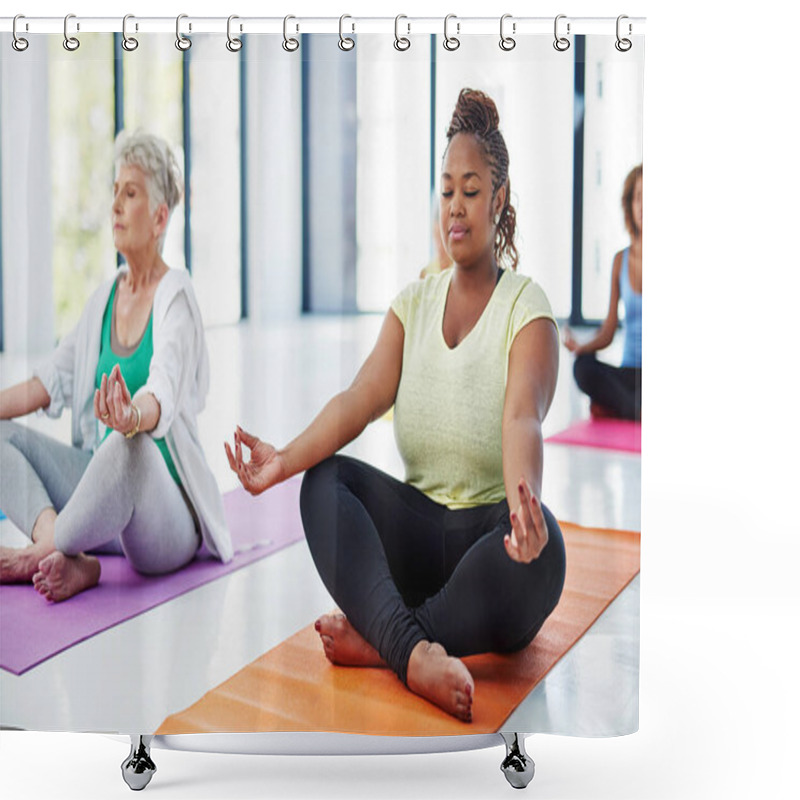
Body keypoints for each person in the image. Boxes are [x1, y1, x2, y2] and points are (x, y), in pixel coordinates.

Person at [226, 89, 566, 723]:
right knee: (322, 483)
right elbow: (359, 399)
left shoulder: (528, 308)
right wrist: (283, 461)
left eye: (471, 189)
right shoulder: (413, 304)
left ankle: (386, 640)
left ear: (498, 199)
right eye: (445, 191)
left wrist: (523, 518)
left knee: (547, 557)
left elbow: (522, 417)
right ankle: (412, 651)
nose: (455, 207)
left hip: (487, 547)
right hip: (417, 543)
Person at [0, 130, 232, 602]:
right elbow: (47, 382)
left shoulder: (177, 299)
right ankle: (62, 549)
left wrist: (131, 418)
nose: (116, 207)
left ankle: (39, 552)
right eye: (114, 193)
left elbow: (162, 387)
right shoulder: (103, 300)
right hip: (99, 511)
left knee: (129, 446)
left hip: (162, 522)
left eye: (130, 194)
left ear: (160, 217)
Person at [563, 165, 643, 420]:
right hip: (627, 373)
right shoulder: (620, 260)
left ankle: (621, 407)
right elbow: (609, 330)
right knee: (583, 368)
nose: (643, 205)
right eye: (638, 197)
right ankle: (633, 408)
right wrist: (582, 347)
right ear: (629, 205)